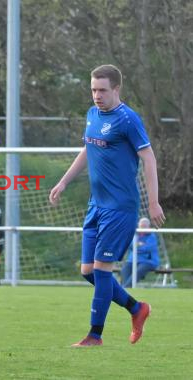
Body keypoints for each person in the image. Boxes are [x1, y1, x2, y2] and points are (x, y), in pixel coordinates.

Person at [49, 64, 165, 347]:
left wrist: (153, 201)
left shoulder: (128, 120)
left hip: (120, 208)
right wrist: (64, 182)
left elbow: (148, 158)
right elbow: (88, 149)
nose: (97, 95)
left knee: (102, 271)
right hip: (96, 206)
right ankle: (137, 309)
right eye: (93, 90)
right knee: (88, 271)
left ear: (116, 89)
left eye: (102, 90)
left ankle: (94, 335)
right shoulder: (92, 115)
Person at [121, 217, 160, 288]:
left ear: (148, 227)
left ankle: (126, 288)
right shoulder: (134, 234)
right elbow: (130, 245)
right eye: (141, 226)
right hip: (132, 260)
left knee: (138, 271)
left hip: (148, 261)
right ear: (138, 225)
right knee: (124, 269)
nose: (142, 228)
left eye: (144, 226)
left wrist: (137, 246)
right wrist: (139, 245)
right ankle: (126, 288)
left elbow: (148, 248)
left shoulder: (152, 236)